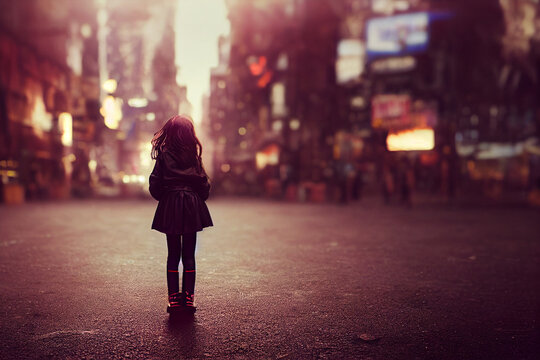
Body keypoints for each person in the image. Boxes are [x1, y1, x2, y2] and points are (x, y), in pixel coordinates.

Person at [149, 115, 213, 314]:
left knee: (173, 254)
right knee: (189, 255)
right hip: (191, 204)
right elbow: (203, 183)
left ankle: (173, 299)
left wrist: (166, 197)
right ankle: (188, 297)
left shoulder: (164, 154)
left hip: (171, 203)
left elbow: (155, 183)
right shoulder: (193, 156)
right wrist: (196, 197)